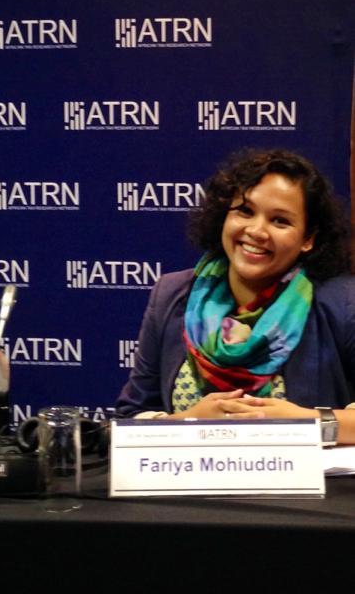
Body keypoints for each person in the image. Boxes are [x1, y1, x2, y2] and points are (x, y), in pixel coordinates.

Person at [116, 147, 355, 444]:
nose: (257, 231)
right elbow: (129, 418)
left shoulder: (343, 302)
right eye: (245, 211)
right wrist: (190, 423)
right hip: (186, 485)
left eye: (280, 221)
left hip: (297, 489)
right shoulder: (170, 294)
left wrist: (305, 424)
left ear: (308, 239)